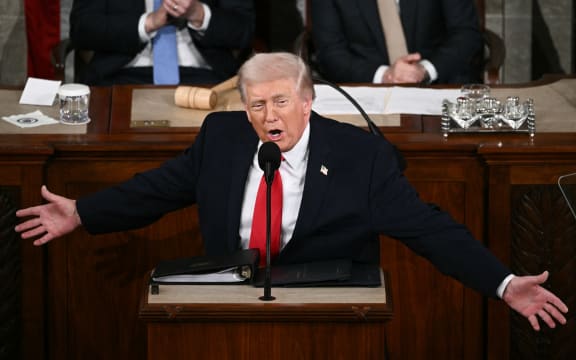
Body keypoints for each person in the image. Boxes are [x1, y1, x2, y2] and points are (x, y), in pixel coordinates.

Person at [15, 52, 567, 332]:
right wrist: (84, 212)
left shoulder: (359, 159)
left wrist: (503, 283)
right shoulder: (223, 138)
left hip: (325, 308)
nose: (268, 116)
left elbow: (429, 228)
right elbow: (157, 189)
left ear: (307, 102)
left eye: (281, 102)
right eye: (256, 105)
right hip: (229, 303)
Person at [69, 0, 255, 85]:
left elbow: (244, 30)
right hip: (120, 77)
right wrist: (148, 23)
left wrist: (198, 14)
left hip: (205, 80)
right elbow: (82, 28)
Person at [310, 0, 483, 84]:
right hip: (364, 90)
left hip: (439, 84)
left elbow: (466, 34)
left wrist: (424, 70)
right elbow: (330, 52)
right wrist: (386, 75)